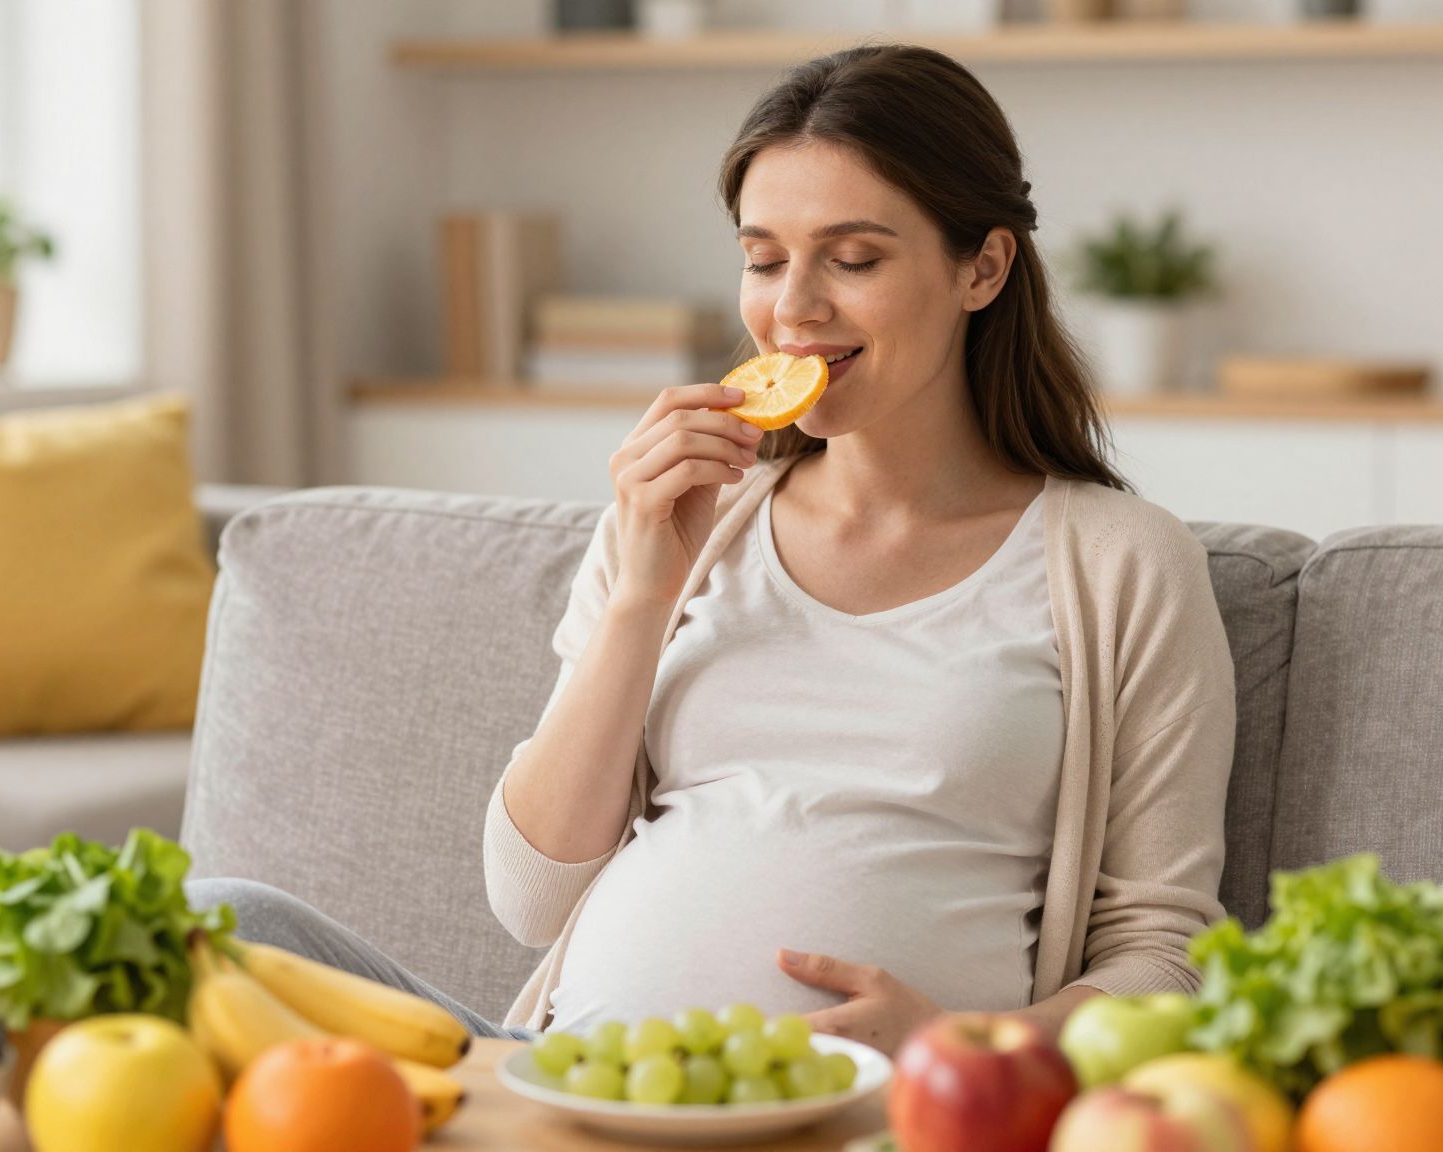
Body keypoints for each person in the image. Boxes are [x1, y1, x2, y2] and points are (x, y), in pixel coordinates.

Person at [191, 42, 1236, 1056]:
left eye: (854, 258)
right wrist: (643, 589)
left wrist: (964, 1048)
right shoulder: (688, 520)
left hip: (872, 1116)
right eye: (762, 259)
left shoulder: (1119, 563)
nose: (792, 310)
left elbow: (1164, 954)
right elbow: (529, 898)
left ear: (983, 266)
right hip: (561, 1082)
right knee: (210, 924)